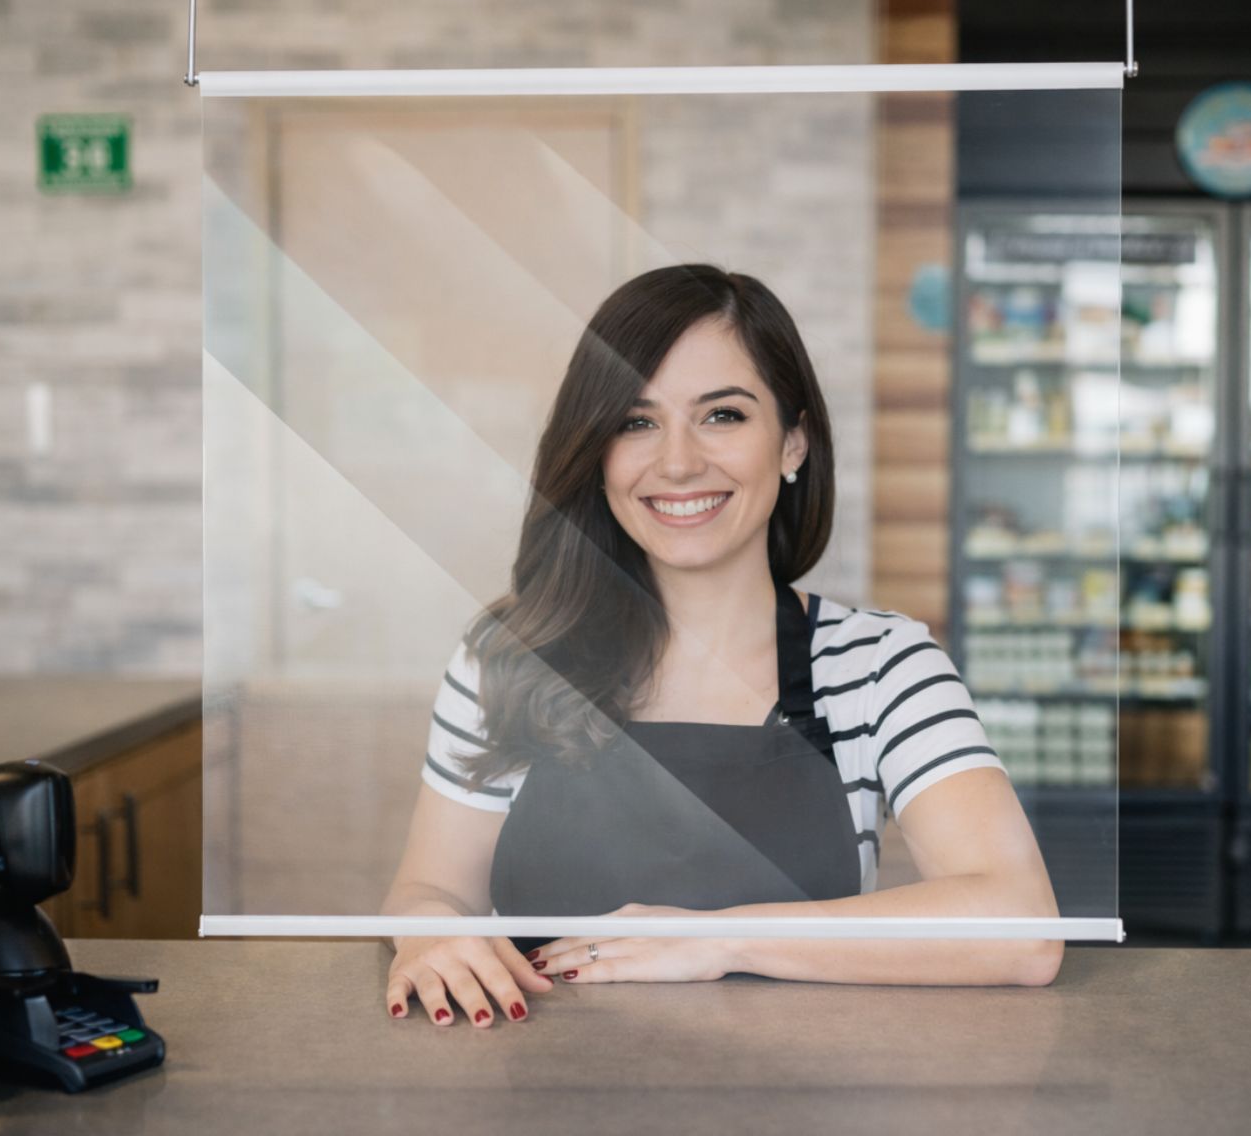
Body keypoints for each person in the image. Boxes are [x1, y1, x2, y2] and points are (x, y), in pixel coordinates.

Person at [381, 264, 1061, 1029]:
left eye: (723, 416)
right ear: (596, 454)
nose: (677, 462)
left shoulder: (881, 666)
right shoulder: (511, 655)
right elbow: (431, 890)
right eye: (636, 422)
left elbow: (1022, 927)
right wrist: (431, 934)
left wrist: (721, 939)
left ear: (793, 443)